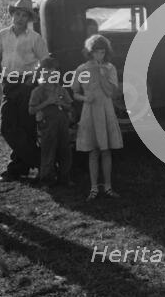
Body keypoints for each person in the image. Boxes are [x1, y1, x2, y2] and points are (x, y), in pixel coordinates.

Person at [0, 0, 49, 182]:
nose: (20, 18)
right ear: (12, 14)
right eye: (17, 14)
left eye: (24, 15)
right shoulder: (2, 35)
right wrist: (1, 78)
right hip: (9, 83)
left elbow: (45, 62)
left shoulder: (35, 38)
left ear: (29, 18)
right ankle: (41, 161)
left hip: (27, 84)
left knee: (26, 127)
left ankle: (17, 169)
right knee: (7, 127)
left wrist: (33, 77)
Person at [72, 34, 123, 200]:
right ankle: (94, 187)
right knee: (93, 150)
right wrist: (85, 98)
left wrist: (101, 75)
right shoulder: (81, 69)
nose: (98, 56)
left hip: (106, 110)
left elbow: (111, 92)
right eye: (95, 52)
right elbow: (75, 93)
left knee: (106, 149)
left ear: (106, 52)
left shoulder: (110, 68)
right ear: (89, 52)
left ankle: (108, 186)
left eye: (102, 52)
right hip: (90, 110)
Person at [28, 57, 74, 189]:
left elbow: (70, 107)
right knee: (48, 152)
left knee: (65, 150)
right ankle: (47, 180)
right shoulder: (38, 91)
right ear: (41, 73)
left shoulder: (61, 89)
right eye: (46, 73)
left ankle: (65, 177)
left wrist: (62, 103)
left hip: (62, 124)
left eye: (52, 73)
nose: (49, 76)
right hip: (47, 126)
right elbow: (31, 110)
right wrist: (47, 102)